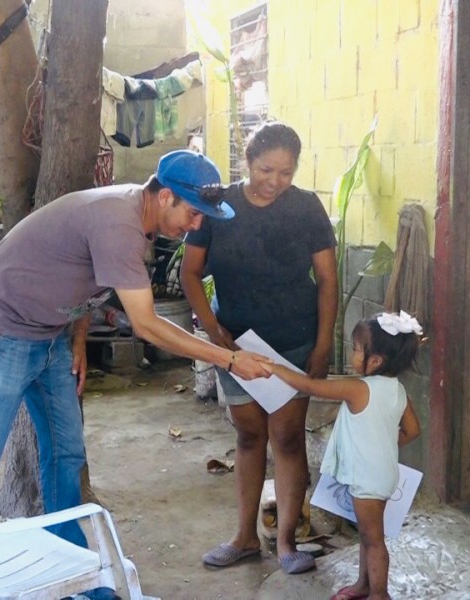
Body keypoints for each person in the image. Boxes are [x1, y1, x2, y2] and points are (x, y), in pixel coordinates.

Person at [0, 149, 271, 548]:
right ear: (165, 197)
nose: (196, 225)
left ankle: (67, 558)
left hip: (49, 336)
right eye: (193, 213)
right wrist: (230, 359)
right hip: (2, 331)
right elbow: (147, 325)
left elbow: (82, 273)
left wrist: (78, 340)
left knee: (66, 454)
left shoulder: (136, 216)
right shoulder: (118, 222)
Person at [181, 121, 339, 575]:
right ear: (247, 161)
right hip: (237, 345)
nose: (275, 181)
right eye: (267, 169)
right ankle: (245, 537)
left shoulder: (306, 209)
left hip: (293, 342)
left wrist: (323, 343)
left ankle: (288, 541)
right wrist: (213, 333)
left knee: (287, 439)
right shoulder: (219, 207)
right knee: (249, 436)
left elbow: (327, 280)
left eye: (286, 172)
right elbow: (191, 274)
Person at [266, 312, 422, 600]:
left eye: (357, 349)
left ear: (375, 361)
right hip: (383, 474)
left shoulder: (358, 388)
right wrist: (383, 444)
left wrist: (274, 367)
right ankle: (365, 585)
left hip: (367, 481)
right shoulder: (398, 391)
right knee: (368, 534)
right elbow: (413, 430)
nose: (353, 354)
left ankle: (379, 594)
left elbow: (310, 386)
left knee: (373, 540)